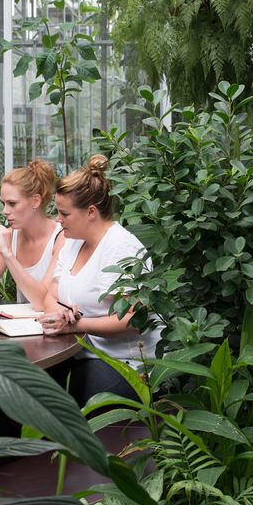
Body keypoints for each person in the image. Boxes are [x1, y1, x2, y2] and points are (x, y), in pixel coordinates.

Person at [40, 154, 161, 405]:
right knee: (29, 385)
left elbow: (133, 318)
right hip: (82, 353)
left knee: (67, 404)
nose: (57, 220)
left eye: (64, 213)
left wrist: (78, 324)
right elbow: (50, 294)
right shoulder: (73, 243)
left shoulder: (121, 248)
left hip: (127, 362)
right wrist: (62, 313)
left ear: (91, 212)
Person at [0, 159, 63, 311]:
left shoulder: (62, 236)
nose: (5, 211)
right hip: (21, 329)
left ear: (35, 201)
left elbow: (43, 303)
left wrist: (8, 254)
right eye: (3, 203)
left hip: (58, 329)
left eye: (12, 203)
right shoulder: (10, 237)